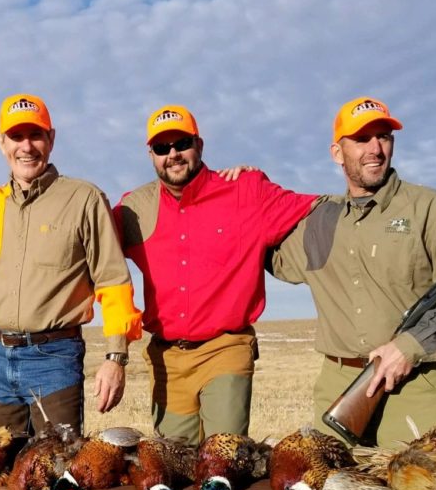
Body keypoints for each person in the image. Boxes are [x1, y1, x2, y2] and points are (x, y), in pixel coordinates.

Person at [268, 97, 436, 448]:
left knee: (432, 479)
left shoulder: (429, 208)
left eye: (384, 137)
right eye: (362, 139)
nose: (376, 149)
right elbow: (266, 254)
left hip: (414, 383)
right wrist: (239, 186)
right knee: (325, 480)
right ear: (337, 153)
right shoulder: (319, 221)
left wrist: (409, 346)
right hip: (338, 387)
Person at [0, 93, 143, 434]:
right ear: (1, 143)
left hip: (55, 359)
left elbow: (112, 280)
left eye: (36, 135)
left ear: (51, 139)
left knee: (57, 463)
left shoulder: (83, 199)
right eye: (16, 136)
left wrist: (115, 357)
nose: (26, 147)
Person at [115, 105, 318, 443]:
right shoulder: (134, 208)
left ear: (199, 145)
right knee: (174, 461)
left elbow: (320, 210)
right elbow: (90, 242)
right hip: (168, 359)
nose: (173, 155)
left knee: (224, 455)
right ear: (151, 155)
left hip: (226, 349)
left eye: (182, 143)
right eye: (162, 148)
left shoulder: (245, 190)